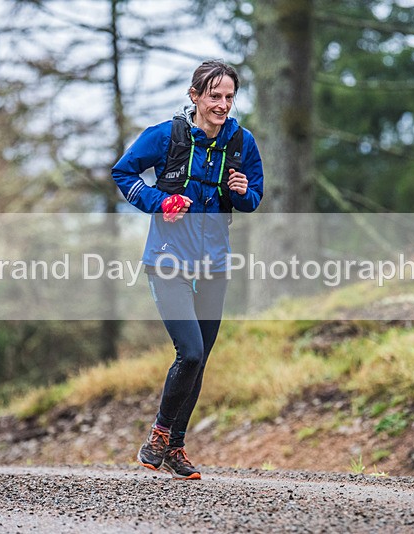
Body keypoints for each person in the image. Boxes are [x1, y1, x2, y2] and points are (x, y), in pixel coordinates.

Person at [111, 60, 264, 480]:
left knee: (201, 359)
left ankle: (175, 448)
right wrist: (159, 201)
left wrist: (243, 192)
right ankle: (160, 434)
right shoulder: (165, 136)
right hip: (168, 260)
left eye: (229, 97)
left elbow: (255, 196)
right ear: (195, 96)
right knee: (190, 351)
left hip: (215, 262)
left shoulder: (241, 142)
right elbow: (123, 172)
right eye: (214, 96)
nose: (222, 104)